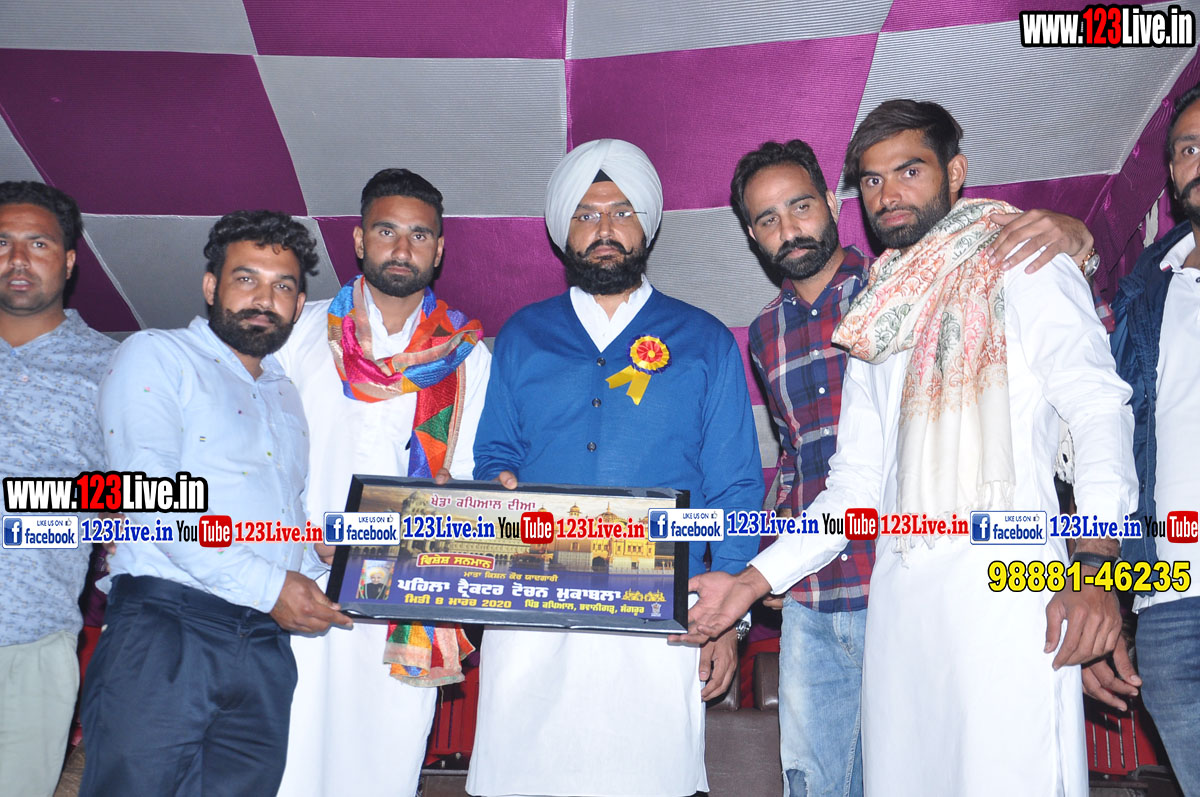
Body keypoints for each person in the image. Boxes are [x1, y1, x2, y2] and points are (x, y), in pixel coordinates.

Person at [685, 101, 1136, 796]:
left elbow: (1098, 408)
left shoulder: (1027, 259)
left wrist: (1099, 568)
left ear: (955, 172)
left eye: (909, 171)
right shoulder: (878, 313)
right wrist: (750, 581)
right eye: (872, 180)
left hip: (1011, 594)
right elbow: (854, 488)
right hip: (899, 609)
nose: (888, 193)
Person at [466, 138, 763, 796]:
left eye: (622, 212)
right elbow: (494, 455)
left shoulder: (705, 340)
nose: (605, 228)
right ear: (563, 231)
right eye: (587, 214)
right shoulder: (521, 336)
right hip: (530, 600)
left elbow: (736, 485)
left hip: (665, 610)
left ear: (647, 225)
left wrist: (730, 621)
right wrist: (495, 488)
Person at [80, 210, 352, 796]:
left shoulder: (284, 393)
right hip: (166, 626)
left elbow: (276, 521)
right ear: (211, 286)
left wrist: (322, 560)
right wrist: (272, 586)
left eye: (283, 286)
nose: (265, 299)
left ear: (298, 304)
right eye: (246, 279)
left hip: (265, 645)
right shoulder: (158, 355)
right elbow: (149, 500)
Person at [276, 168, 489, 797]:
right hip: (297, 587)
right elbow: (258, 457)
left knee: (384, 761)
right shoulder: (300, 333)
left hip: (404, 599)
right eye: (386, 231)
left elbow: (470, 483)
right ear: (358, 240)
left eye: (419, 235)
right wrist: (296, 544)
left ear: (439, 249)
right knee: (287, 757)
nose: (402, 248)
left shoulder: (468, 357)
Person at [0, 181, 117, 797]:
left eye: (38, 243)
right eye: (2, 242)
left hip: (35, 642)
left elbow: (137, 500)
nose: (18, 259)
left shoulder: (115, 367)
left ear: (69, 260)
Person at [1106, 84, 1200, 796]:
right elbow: (1117, 434)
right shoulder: (1148, 283)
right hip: (1168, 591)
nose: (1199, 161)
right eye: (1188, 149)